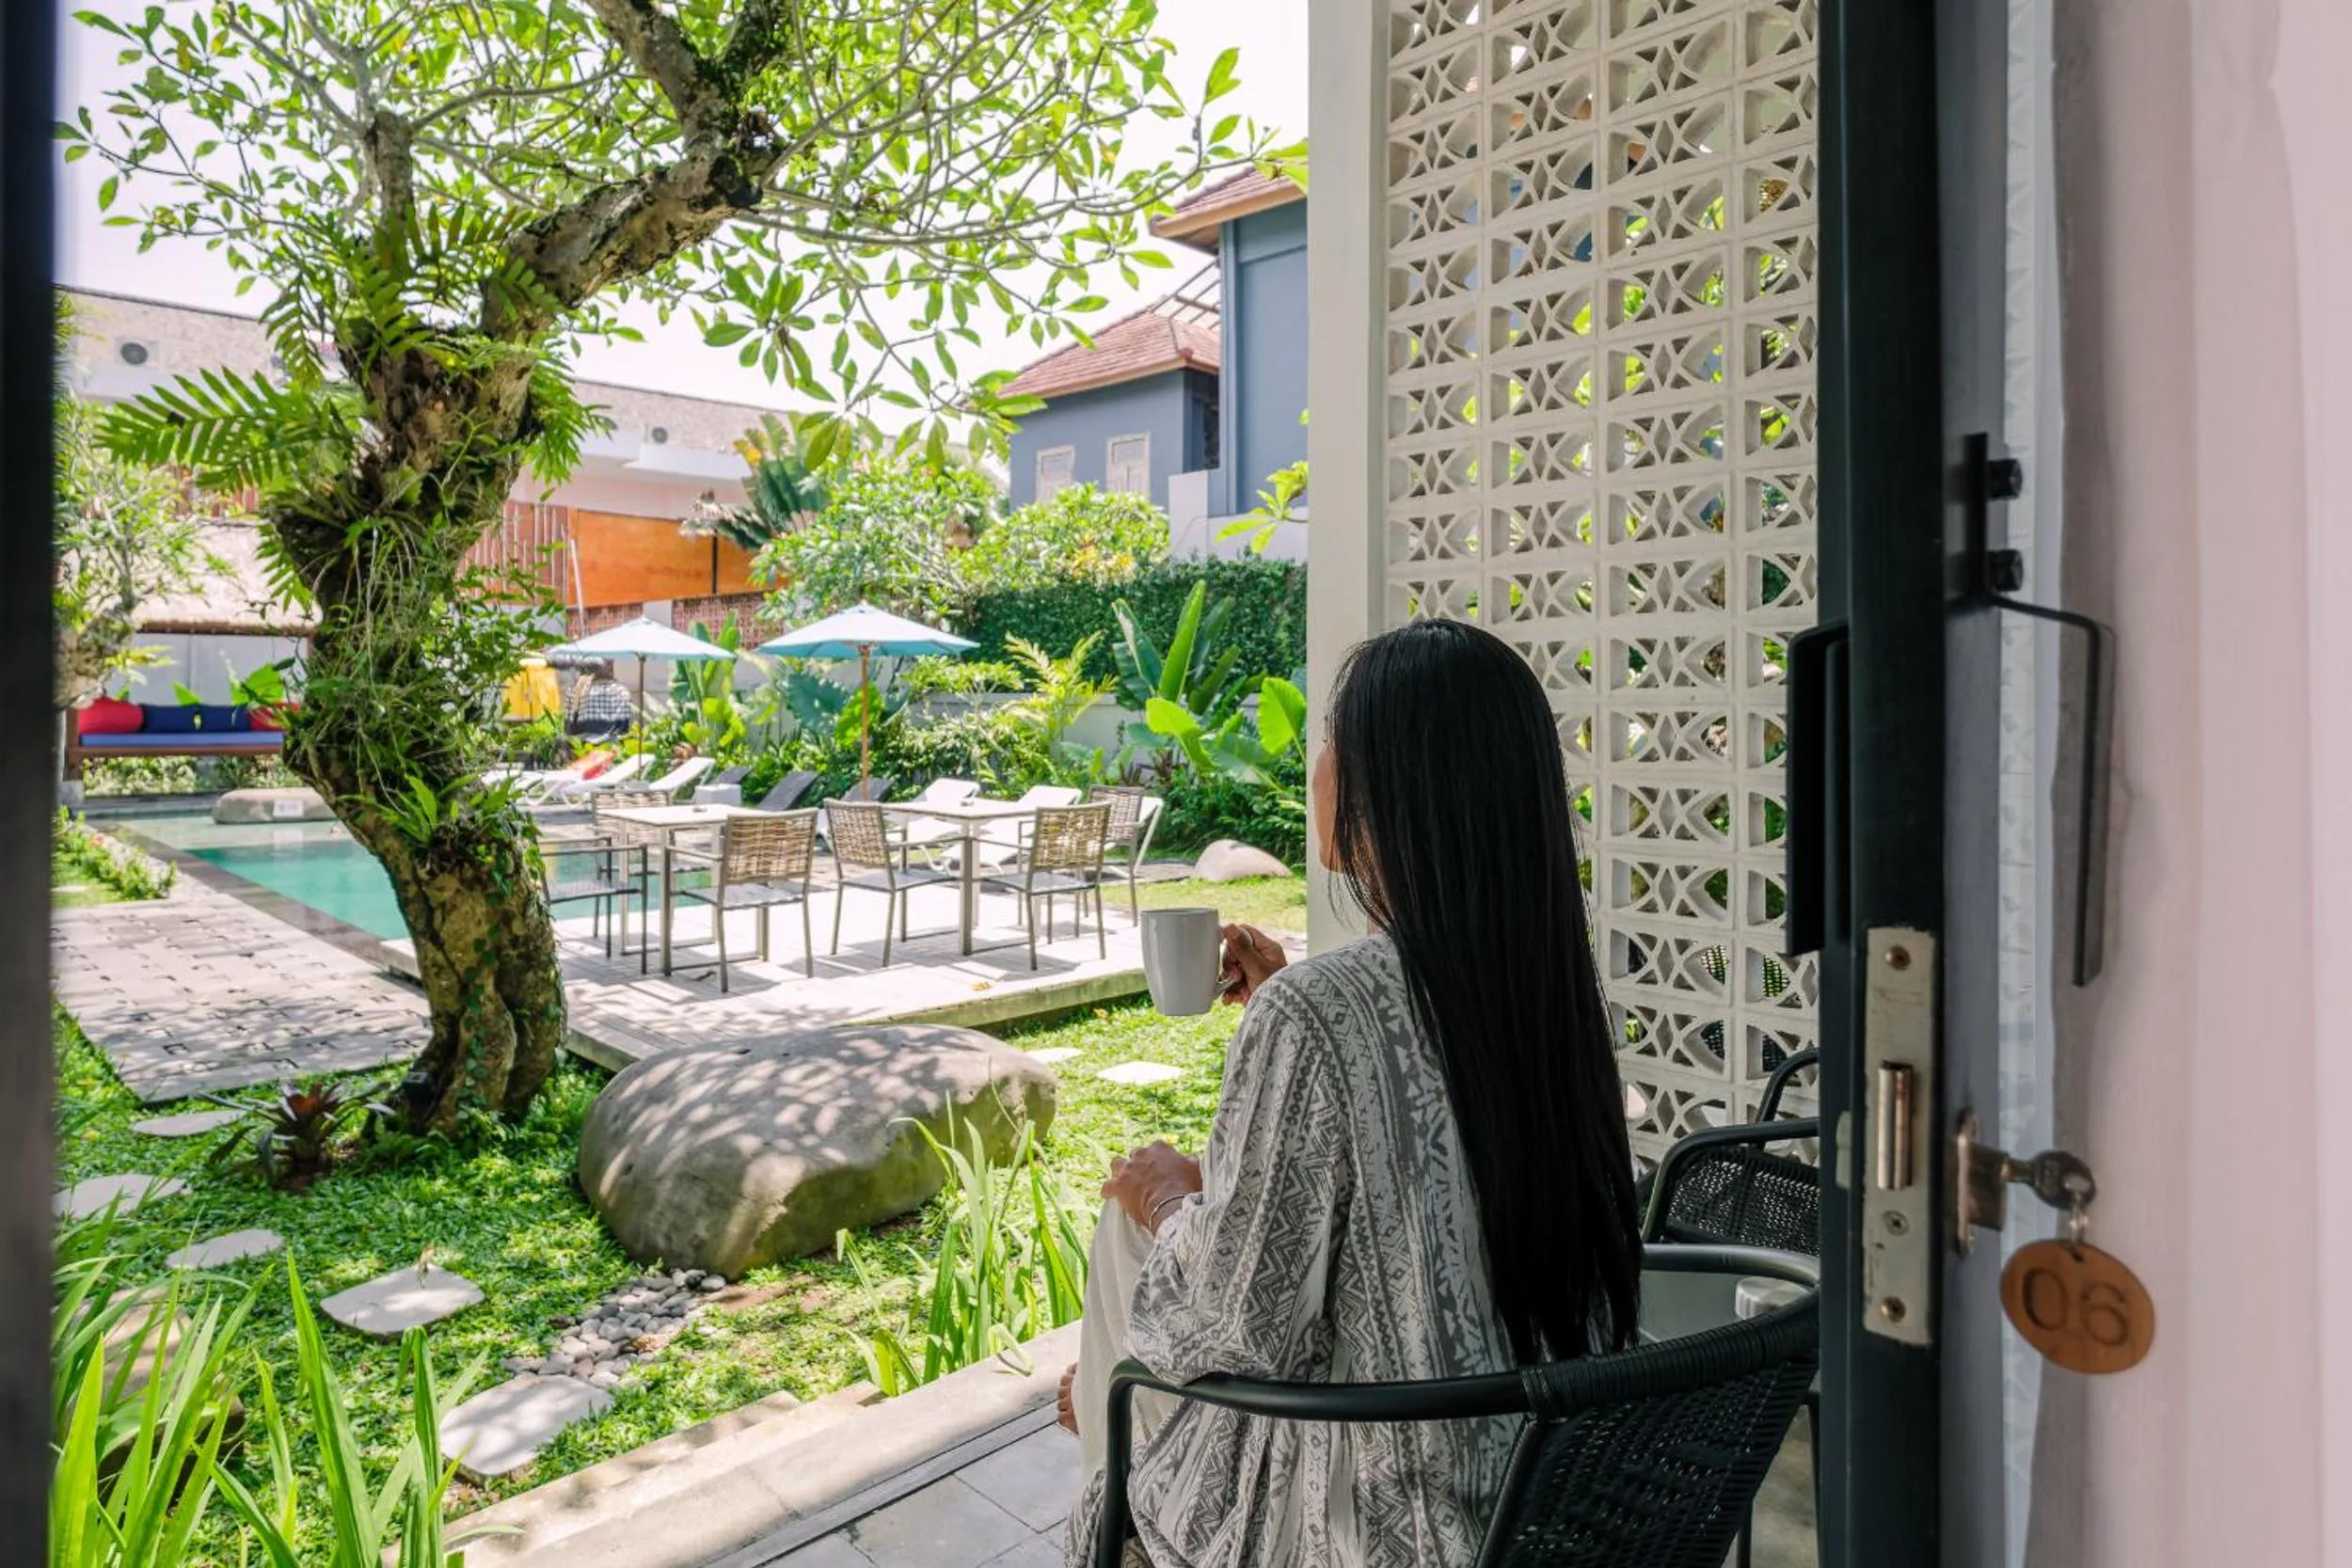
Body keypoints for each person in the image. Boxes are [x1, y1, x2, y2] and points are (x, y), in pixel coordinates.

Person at [1062, 619, 1645, 1568]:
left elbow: (1242, 1327)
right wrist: (1297, 993)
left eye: (1331, 734)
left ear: (1387, 788)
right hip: (1540, 1476)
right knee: (1149, 1294)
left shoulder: (1314, 1014)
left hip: (1382, 1515)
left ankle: (1107, 1422)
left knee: (1130, 1227)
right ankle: (1103, 1401)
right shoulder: (1559, 995)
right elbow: (1437, 1159)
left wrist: (1172, 1195)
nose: (1316, 759)